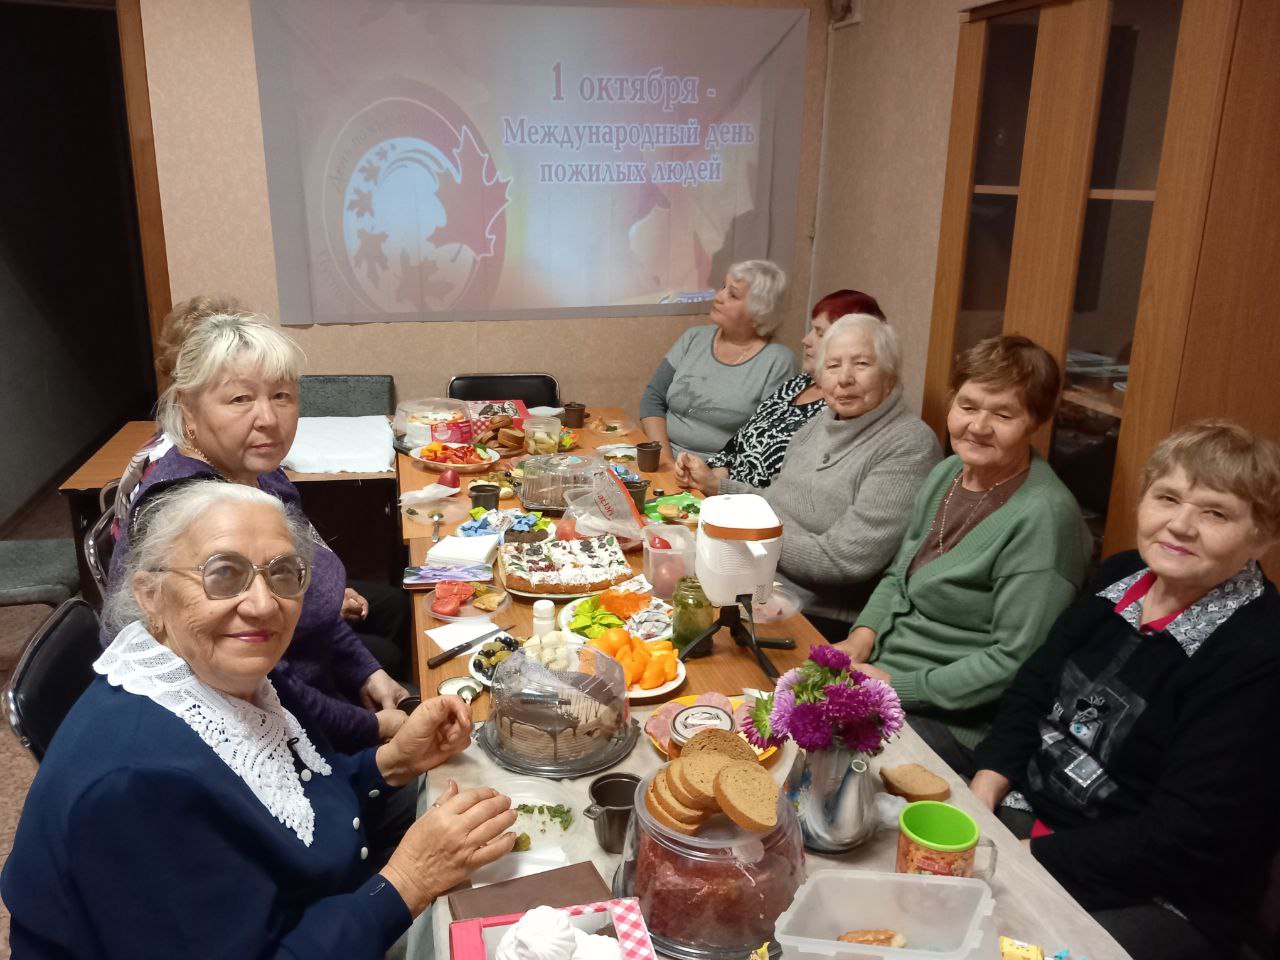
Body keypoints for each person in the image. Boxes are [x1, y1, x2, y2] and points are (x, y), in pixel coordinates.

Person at [1, 481, 517, 958]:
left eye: (283, 573)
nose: (263, 604)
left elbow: (291, 799)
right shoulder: (139, 783)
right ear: (150, 594)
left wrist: (390, 763)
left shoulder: (219, 677)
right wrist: (409, 880)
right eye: (223, 574)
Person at [971, 421, 1280, 960]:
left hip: (1155, 892)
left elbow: (1183, 836)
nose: (1180, 525)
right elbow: (1034, 686)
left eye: (1215, 512)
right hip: (1028, 812)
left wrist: (1023, 862)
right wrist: (982, 794)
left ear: (1262, 537)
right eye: (1167, 498)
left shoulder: (1260, 653)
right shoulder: (1124, 573)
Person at [105, 307, 409, 750]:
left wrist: (366, 669)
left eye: (281, 396)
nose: (267, 418)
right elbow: (268, 686)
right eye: (240, 399)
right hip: (245, 731)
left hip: (295, 676)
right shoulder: (193, 508)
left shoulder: (259, 472)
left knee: (395, 654)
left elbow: (305, 600)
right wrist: (376, 729)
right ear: (187, 407)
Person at [836, 334, 1091, 777]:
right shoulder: (948, 472)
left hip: (955, 722)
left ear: (1035, 422)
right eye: (969, 406)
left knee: (817, 765)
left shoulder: (1045, 519)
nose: (978, 426)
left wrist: (897, 685)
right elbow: (899, 576)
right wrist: (859, 638)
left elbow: (1013, 662)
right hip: (881, 674)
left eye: (1004, 414)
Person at [686, 314, 939, 639]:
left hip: (816, 617)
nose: (844, 379)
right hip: (756, 582)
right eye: (833, 366)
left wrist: (748, 535)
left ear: (890, 374)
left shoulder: (908, 444)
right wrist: (719, 487)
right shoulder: (822, 420)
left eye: (861, 364)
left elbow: (843, 561)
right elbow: (774, 503)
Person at [676, 289, 885, 491]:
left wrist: (716, 486)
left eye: (820, 333)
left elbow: (788, 494)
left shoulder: (840, 409)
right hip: (722, 497)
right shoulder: (800, 383)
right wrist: (708, 477)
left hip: (757, 514)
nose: (806, 340)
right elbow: (739, 443)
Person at [640, 260, 796, 466]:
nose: (718, 297)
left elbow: (766, 442)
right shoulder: (694, 338)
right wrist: (666, 461)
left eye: (732, 294)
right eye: (723, 287)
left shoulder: (778, 361)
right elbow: (653, 399)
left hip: (717, 474)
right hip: (664, 459)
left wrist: (709, 475)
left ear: (760, 310)